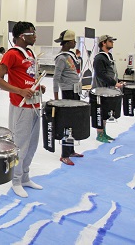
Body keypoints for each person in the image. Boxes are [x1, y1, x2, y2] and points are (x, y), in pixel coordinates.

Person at [0, 21, 45, 198]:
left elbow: (29, 77)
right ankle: (15, 180)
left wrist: (38, 87)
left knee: (32, 145)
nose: (35, 35)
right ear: (22, 36)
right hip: (21, 106)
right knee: (20, 145)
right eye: (32, 32)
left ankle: (25, 177)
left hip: (35, 104)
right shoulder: (12, 54)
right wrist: (20, 91)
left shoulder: (30, 53)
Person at [53, 30, 84, 166]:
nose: (75, 43)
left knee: (73, 123)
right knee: (67, 124)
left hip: (75, 91)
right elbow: (56, 78)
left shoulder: (70, 56)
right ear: (67, 42)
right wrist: (56, 97)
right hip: (67, 92)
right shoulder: (61, 58)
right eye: (73, 41)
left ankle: (71, 150)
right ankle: (64, 155)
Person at [92, 34, 124, 143]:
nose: (112, 42)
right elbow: (101, 74)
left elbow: (111, 72)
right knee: (100, 112)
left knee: (105, 111)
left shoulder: (108, 56)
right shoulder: (99, 57)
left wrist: (117, 81)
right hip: (100, 90)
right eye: (110, 41)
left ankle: (104, 133)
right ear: (103, 43)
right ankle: (99, 134)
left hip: (107, 89)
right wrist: (114, 83)